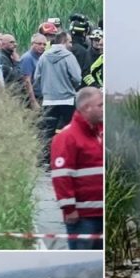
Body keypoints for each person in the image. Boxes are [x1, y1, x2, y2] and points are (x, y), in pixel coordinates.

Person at [50, 87, 104, 250]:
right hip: (83, 217)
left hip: (102, 212)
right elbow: (61, 176)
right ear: (87, 108)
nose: (104, 109)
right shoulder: (67, 137)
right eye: (100, 105)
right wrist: (69, 209)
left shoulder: (100, 133)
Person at [33, 30, 82, 161]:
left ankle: (46, 159)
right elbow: (77, 78)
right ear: (64, 41)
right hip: (67, 100)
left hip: (48, 100)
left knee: (48, 131)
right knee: (68, 130)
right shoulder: (69, 57)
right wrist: (70, 86)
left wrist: (45, 89)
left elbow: (36, 77)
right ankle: (66, 157)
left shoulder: (44, 56)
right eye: (70, 42)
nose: (71, 45)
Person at [19, 33, 48, 110]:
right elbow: (27, 81)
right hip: (34, 97)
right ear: (32, 44)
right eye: (39, 44)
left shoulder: (41, 58)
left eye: (44, 44)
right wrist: (33, 101)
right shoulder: (27, 58)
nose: (42, 46)